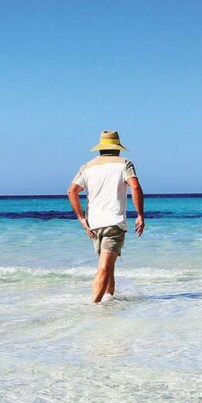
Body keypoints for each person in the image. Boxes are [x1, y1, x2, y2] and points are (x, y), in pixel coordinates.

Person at [67, 130, 145, 303]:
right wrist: (140, 215)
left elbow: (72, 191)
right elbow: (136, 188)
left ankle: (110, 302)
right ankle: (93, 306)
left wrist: (81, 218)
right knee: (104, 267)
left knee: (108, 267)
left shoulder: (87, 167)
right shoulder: (125, 164)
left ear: (100, 149)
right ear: (118, 148)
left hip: (94, 225)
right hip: (114, 223)